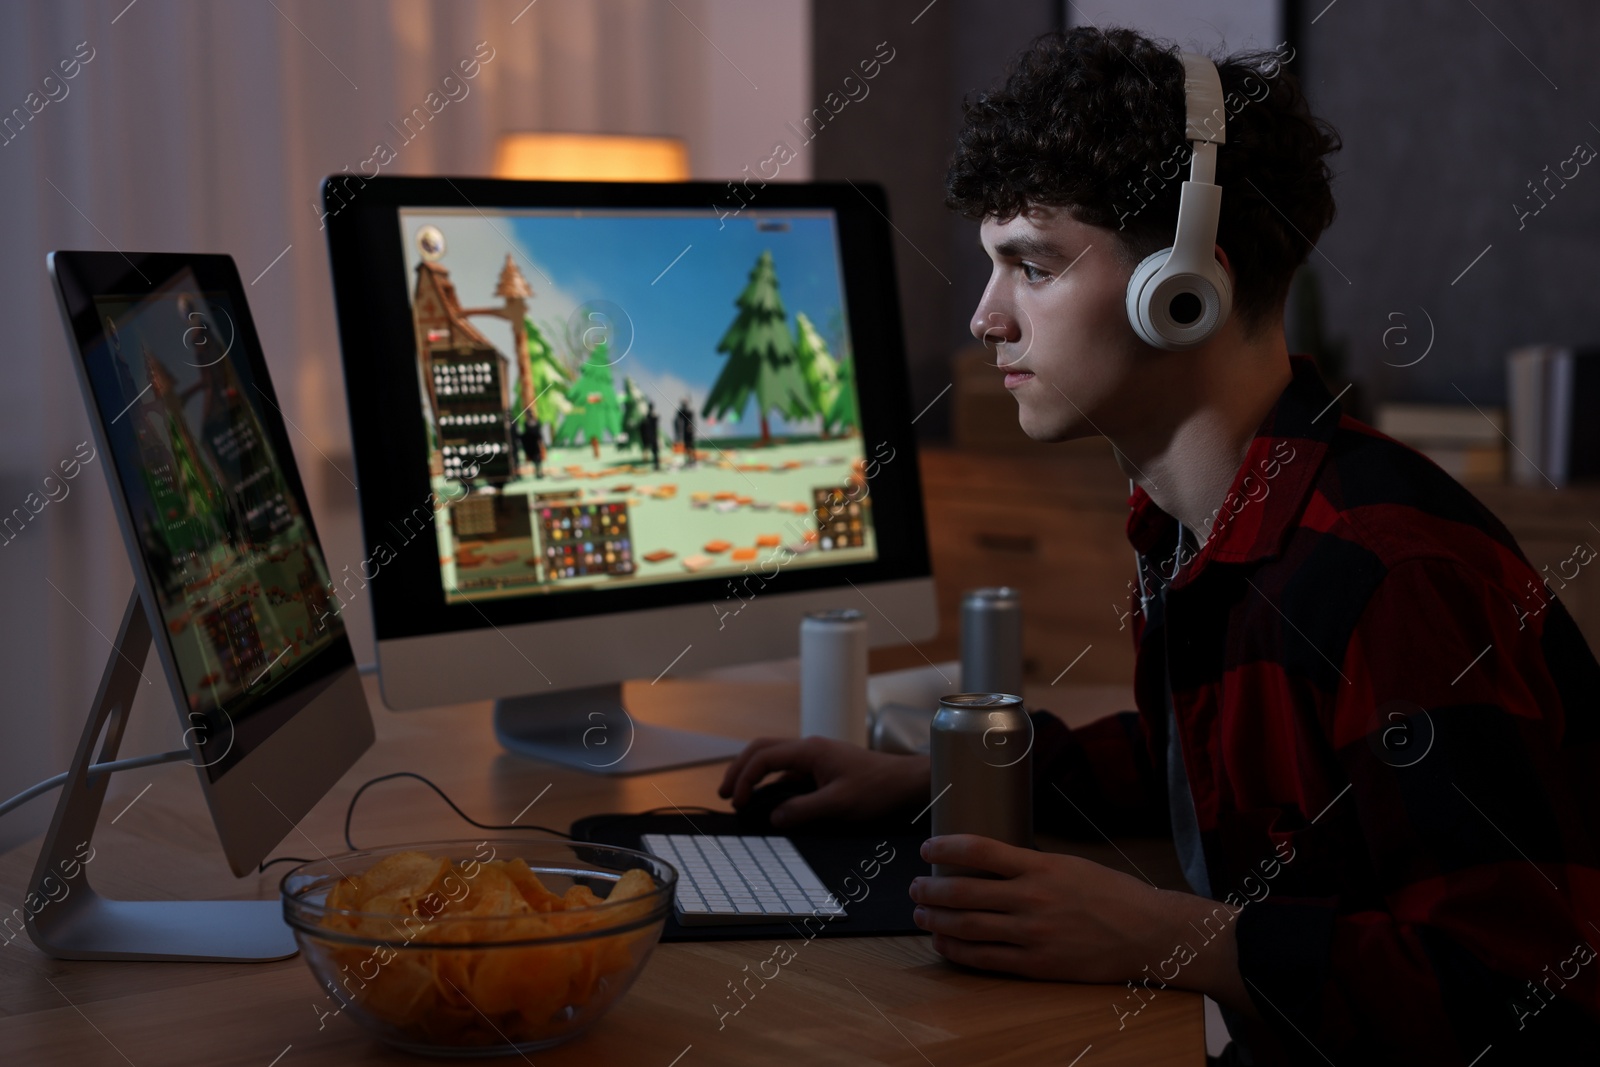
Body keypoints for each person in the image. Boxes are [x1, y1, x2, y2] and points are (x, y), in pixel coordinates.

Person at [718, 27, 1600, 1066]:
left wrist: (1174, 939)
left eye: (1031, 267)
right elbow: (1216, 765)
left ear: (1184, 292)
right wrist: (929, 776)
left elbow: (1527, 991)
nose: (985, 314)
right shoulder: (1211, 525)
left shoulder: (1391, 576)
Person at [518, 415, 545, 479]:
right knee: (537, 460)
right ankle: (538, 473)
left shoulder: (535, 423)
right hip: (532, 444)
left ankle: (539, 472)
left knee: (537, 460)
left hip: (533, 444)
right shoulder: (529, 423)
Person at [674, 398, 696, 466]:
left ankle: (692, 460)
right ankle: (689, 460)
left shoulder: (688, 412)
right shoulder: (684, 412)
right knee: (688, 446)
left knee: (690, 445)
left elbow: (691, 421)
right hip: (686, 431)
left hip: (688, 431)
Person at [640, 401, 661, 470]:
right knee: (653, 451)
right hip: (651, 436)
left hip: (651, 436)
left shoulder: (650, 417)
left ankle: (656, 465)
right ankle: (654, 465)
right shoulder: (650, 417)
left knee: (654, 451)